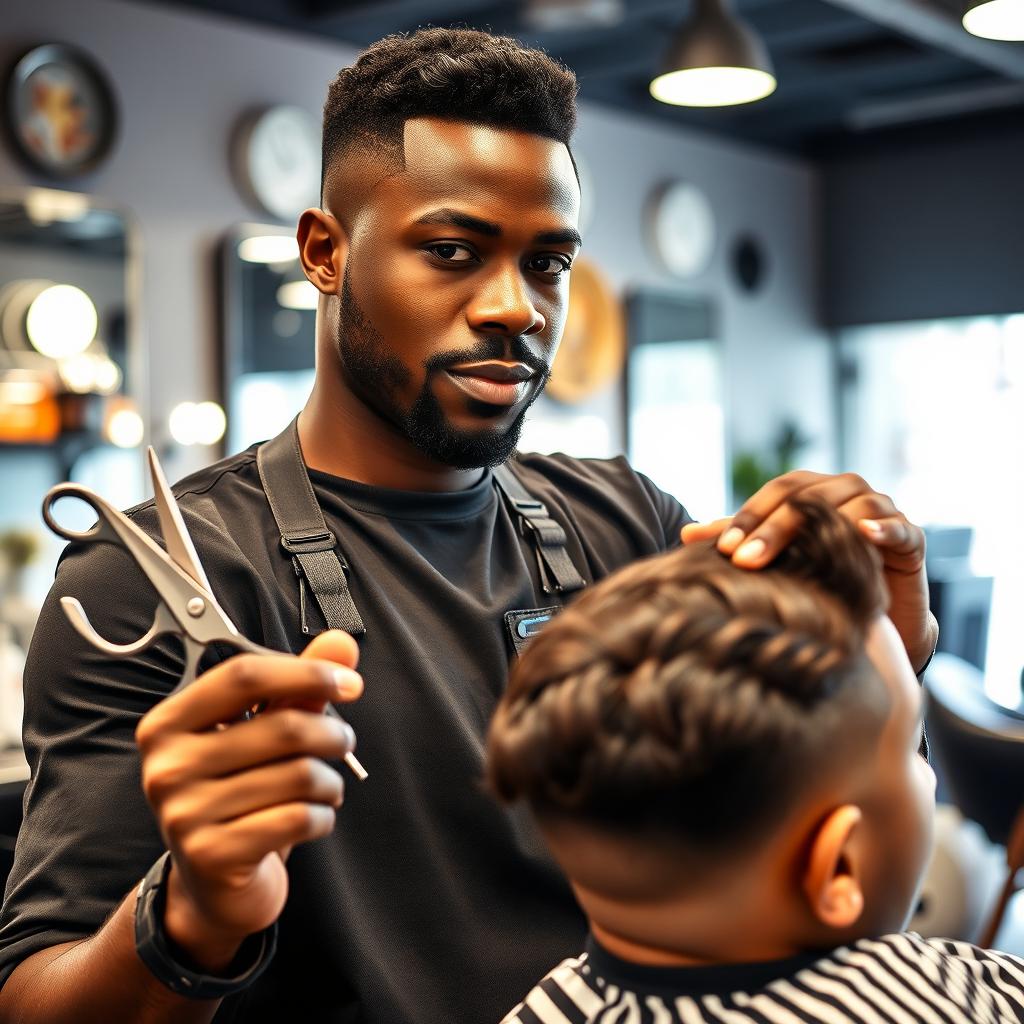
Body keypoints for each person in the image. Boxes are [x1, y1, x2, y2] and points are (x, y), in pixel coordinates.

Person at [0, 28, 936, 1024]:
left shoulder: (629, 525)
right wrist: (187, 913)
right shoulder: (145, 580)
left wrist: (886, 654)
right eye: (452, 252)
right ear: (325, 251)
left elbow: (819, 861)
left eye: (547, 262)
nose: (513, 308)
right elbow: (36, 1005)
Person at [486, 498, 1020, 1024]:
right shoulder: (957, 996)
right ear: (836, 866)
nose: (926, 770)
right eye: (909, 745)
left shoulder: (542, 1007)